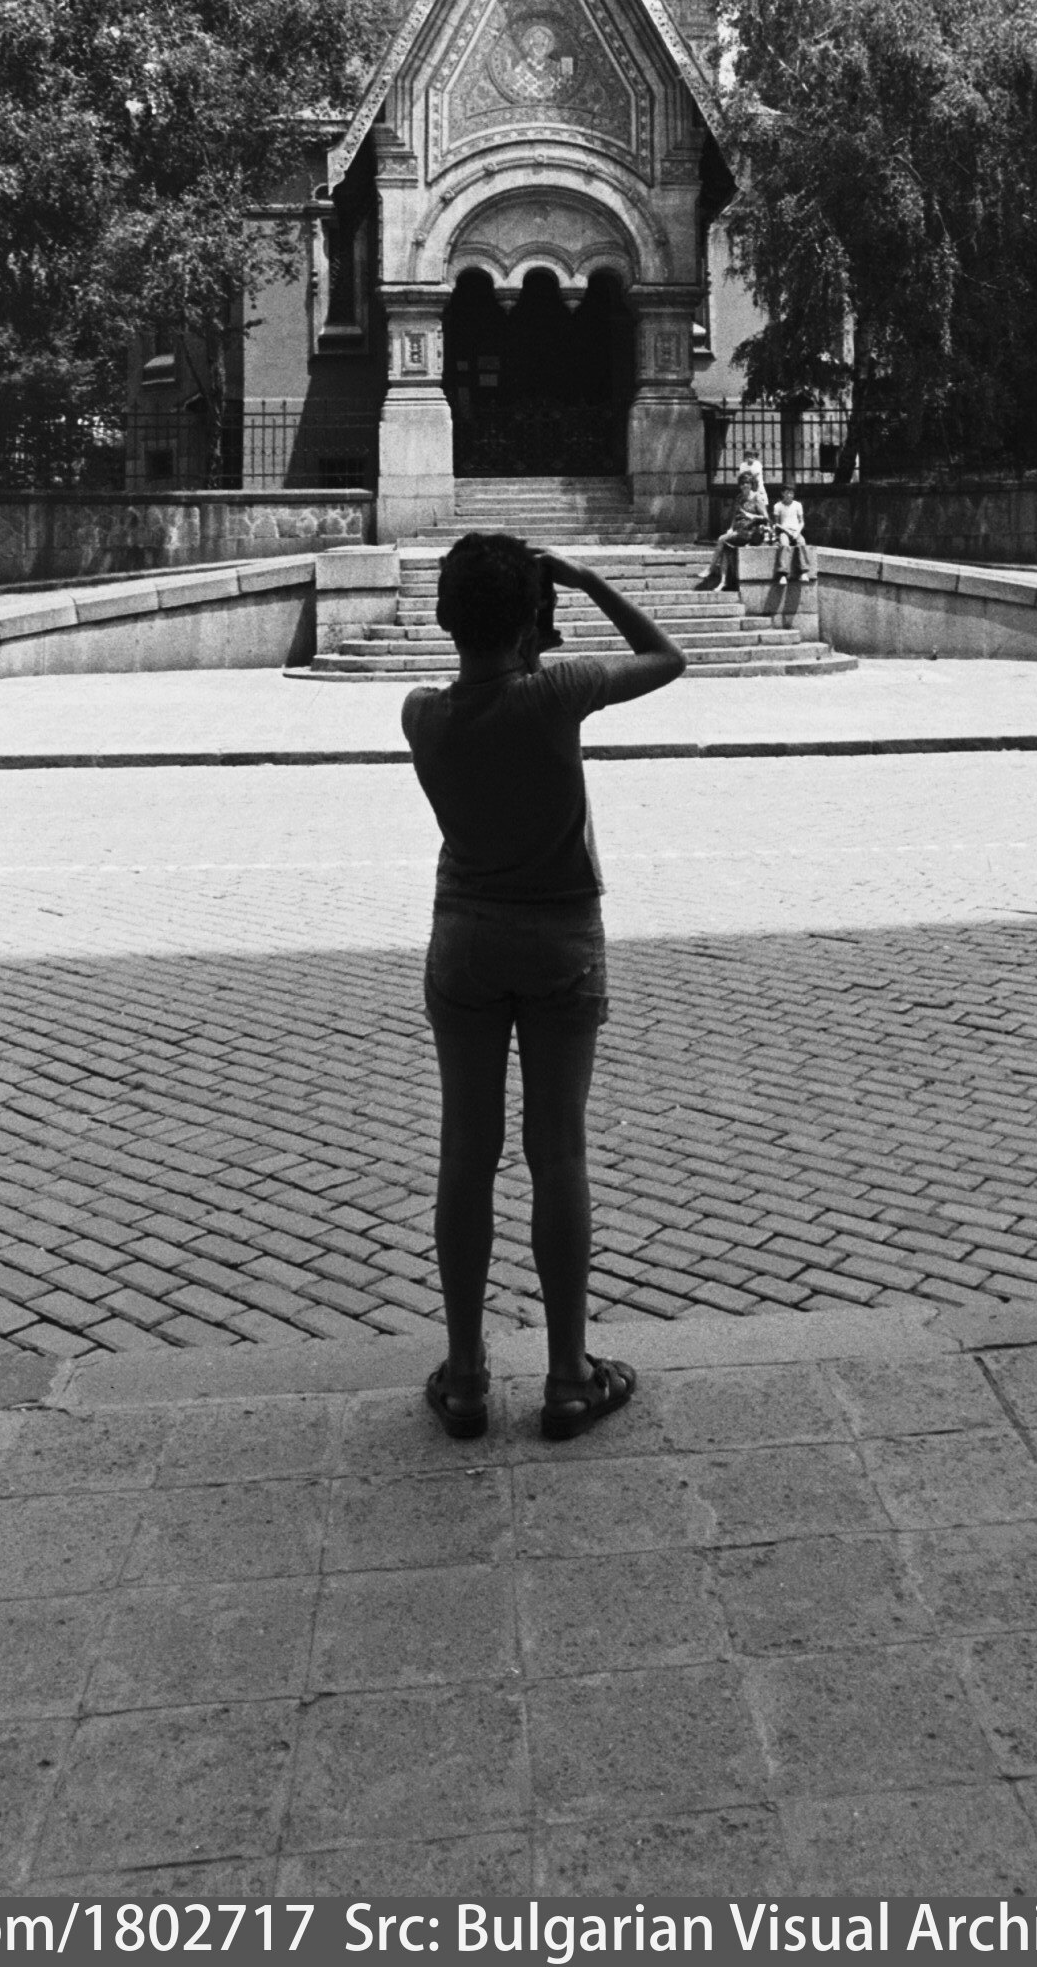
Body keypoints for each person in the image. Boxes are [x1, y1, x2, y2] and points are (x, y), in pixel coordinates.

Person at [402, 532, 686, 1442]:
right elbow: (666, 658)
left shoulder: (421, 716)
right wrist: (587, 580)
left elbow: (483, 685)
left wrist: (521, 630)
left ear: (446, 617)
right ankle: (568, 1376)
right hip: (561, 938)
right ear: (533, 620)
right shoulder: (558, 695)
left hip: (465, 940)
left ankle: (466, 1375)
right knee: (557, 1152)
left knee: (465, 1152)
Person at [698, 447, 770, 590]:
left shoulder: (757, 498)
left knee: (721, 539)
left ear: (752, 484)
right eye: (742, 484)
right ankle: (723, 582)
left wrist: (752, 516)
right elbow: (735, 515)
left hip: (752, 532)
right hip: (739, 531)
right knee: (725, 549)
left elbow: (766, 518)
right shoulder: (739, 498)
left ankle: (710, 568)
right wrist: (730, 528)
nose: (744, 486)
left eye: (747, 483)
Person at [767, 487, 809, 615]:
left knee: (801, 543)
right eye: (787, 493)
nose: (789, 495)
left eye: (791, 493)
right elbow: (776, 524)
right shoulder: (778, 506)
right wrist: (786, 531)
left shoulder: (798, 505)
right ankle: (783, 574)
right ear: (782, 493)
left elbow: (801, 522)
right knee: (784, 545)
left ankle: (803, 571)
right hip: (784, 531)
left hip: (796, 531)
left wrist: (797, 532)